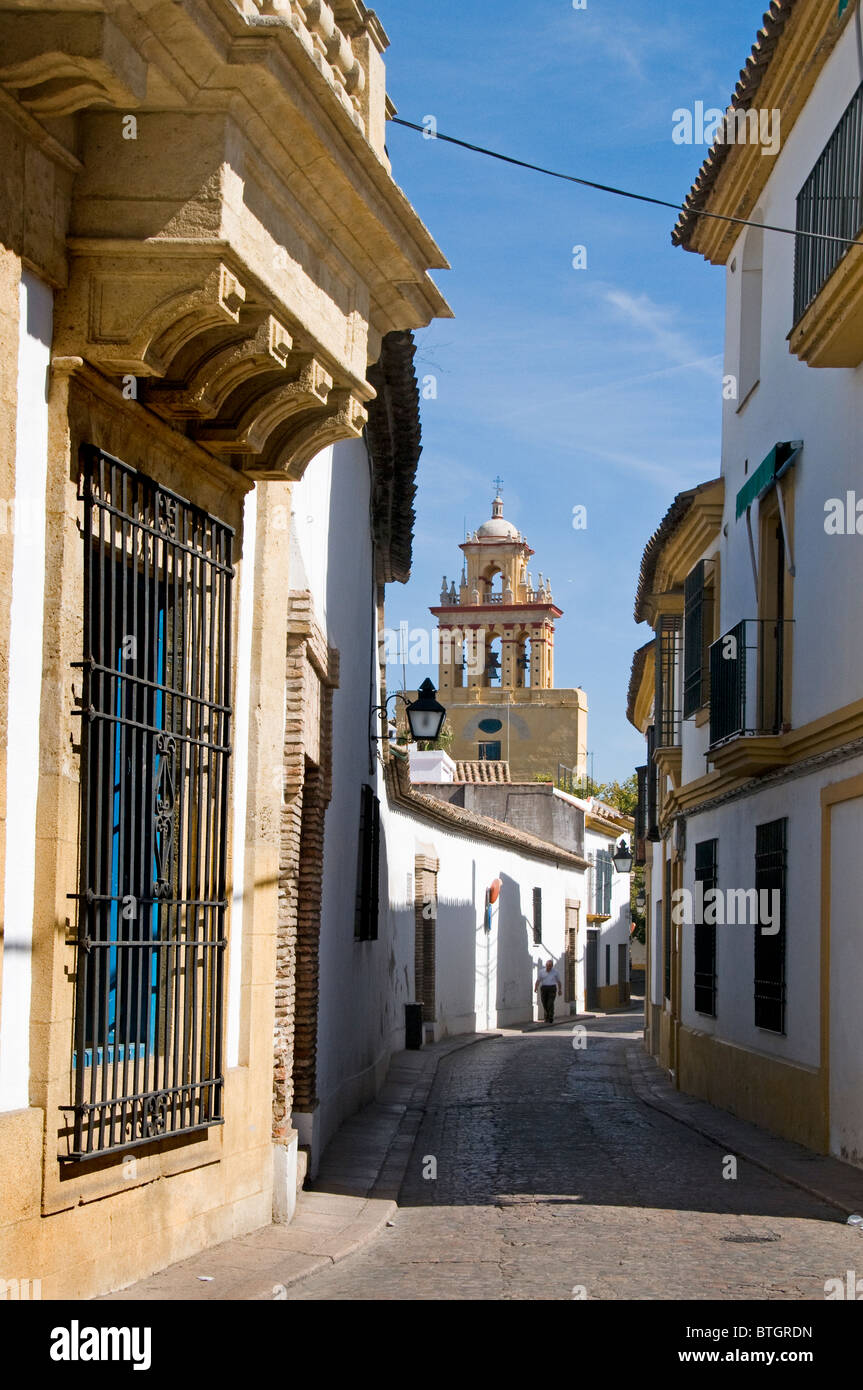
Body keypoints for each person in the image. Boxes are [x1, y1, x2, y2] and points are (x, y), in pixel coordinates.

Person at [535, 959, 562, 1024]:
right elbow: (538, 980)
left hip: (552, 988)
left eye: (549, 966)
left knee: (550, 1003)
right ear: (545, 965)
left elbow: (559, 982)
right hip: (544, 988)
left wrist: (560, 990)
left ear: (552, 966)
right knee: (544, 1002)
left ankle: (550, 1017)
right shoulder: (541, 972)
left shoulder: (555, 972)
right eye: (547, 965)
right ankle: (546, 1017)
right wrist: (535, 987)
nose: (548, 967)